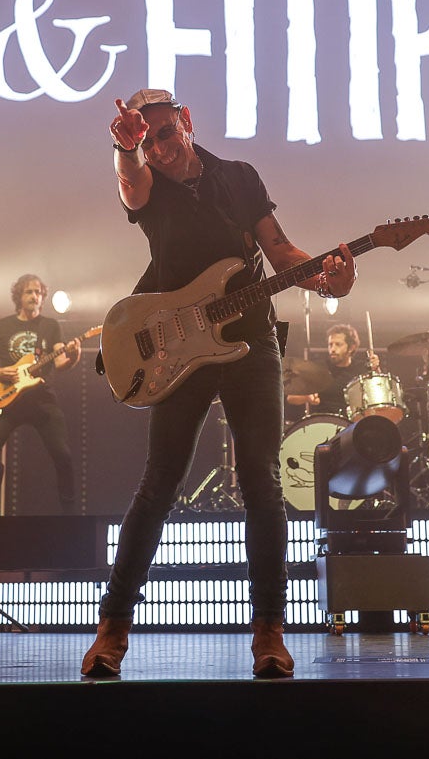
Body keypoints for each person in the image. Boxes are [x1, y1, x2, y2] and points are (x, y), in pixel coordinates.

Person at [82, 88, 356, 679]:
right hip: (179, 345)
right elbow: (130, 184)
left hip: (250, 340)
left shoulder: (238, 177)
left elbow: (279, 250)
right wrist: (122, 148)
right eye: (144, 139)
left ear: (187, 121)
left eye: (163, 133)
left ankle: (270, 635)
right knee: (158, 484)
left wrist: (327, 280)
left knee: (261, 481)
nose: (157, 147)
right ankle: (112, 630)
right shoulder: (147, 181)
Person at [0, 274, 82, 515]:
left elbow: (60, 362)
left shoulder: (50, 326)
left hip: (40, 400)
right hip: (8, 399)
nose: (35, 296)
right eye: (29, 292)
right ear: (19, 297)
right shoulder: (3, 326)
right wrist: (1, 373)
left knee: (62, 454)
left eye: (38, 293)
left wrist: (74, 354)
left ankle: (70, 515)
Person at [285, 323, 381, 417]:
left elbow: (378, 390)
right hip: (323, 423)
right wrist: (307, 398)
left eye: (338, 344)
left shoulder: (361, 368)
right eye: (330, 344)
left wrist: (376, 368)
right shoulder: (318, 367)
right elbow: (291, 398)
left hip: (352, 423)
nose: (333, 349)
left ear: (351, 348)